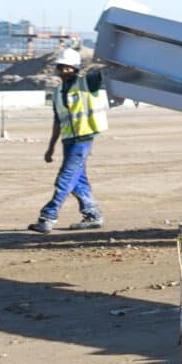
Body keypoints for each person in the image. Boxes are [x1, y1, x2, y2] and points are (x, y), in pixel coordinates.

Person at [31, 47, 107, 232]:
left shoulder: (86, 82)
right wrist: (51, 147)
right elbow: (58, 121)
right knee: (77, 180)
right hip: (68, 140)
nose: (64, 71)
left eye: (68, 67)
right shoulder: (58, 92)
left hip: (83, 138)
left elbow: (105, 73)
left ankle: (48, 216)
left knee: (65, 178)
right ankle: (92, 214)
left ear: (75, 68)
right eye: (62, 67)